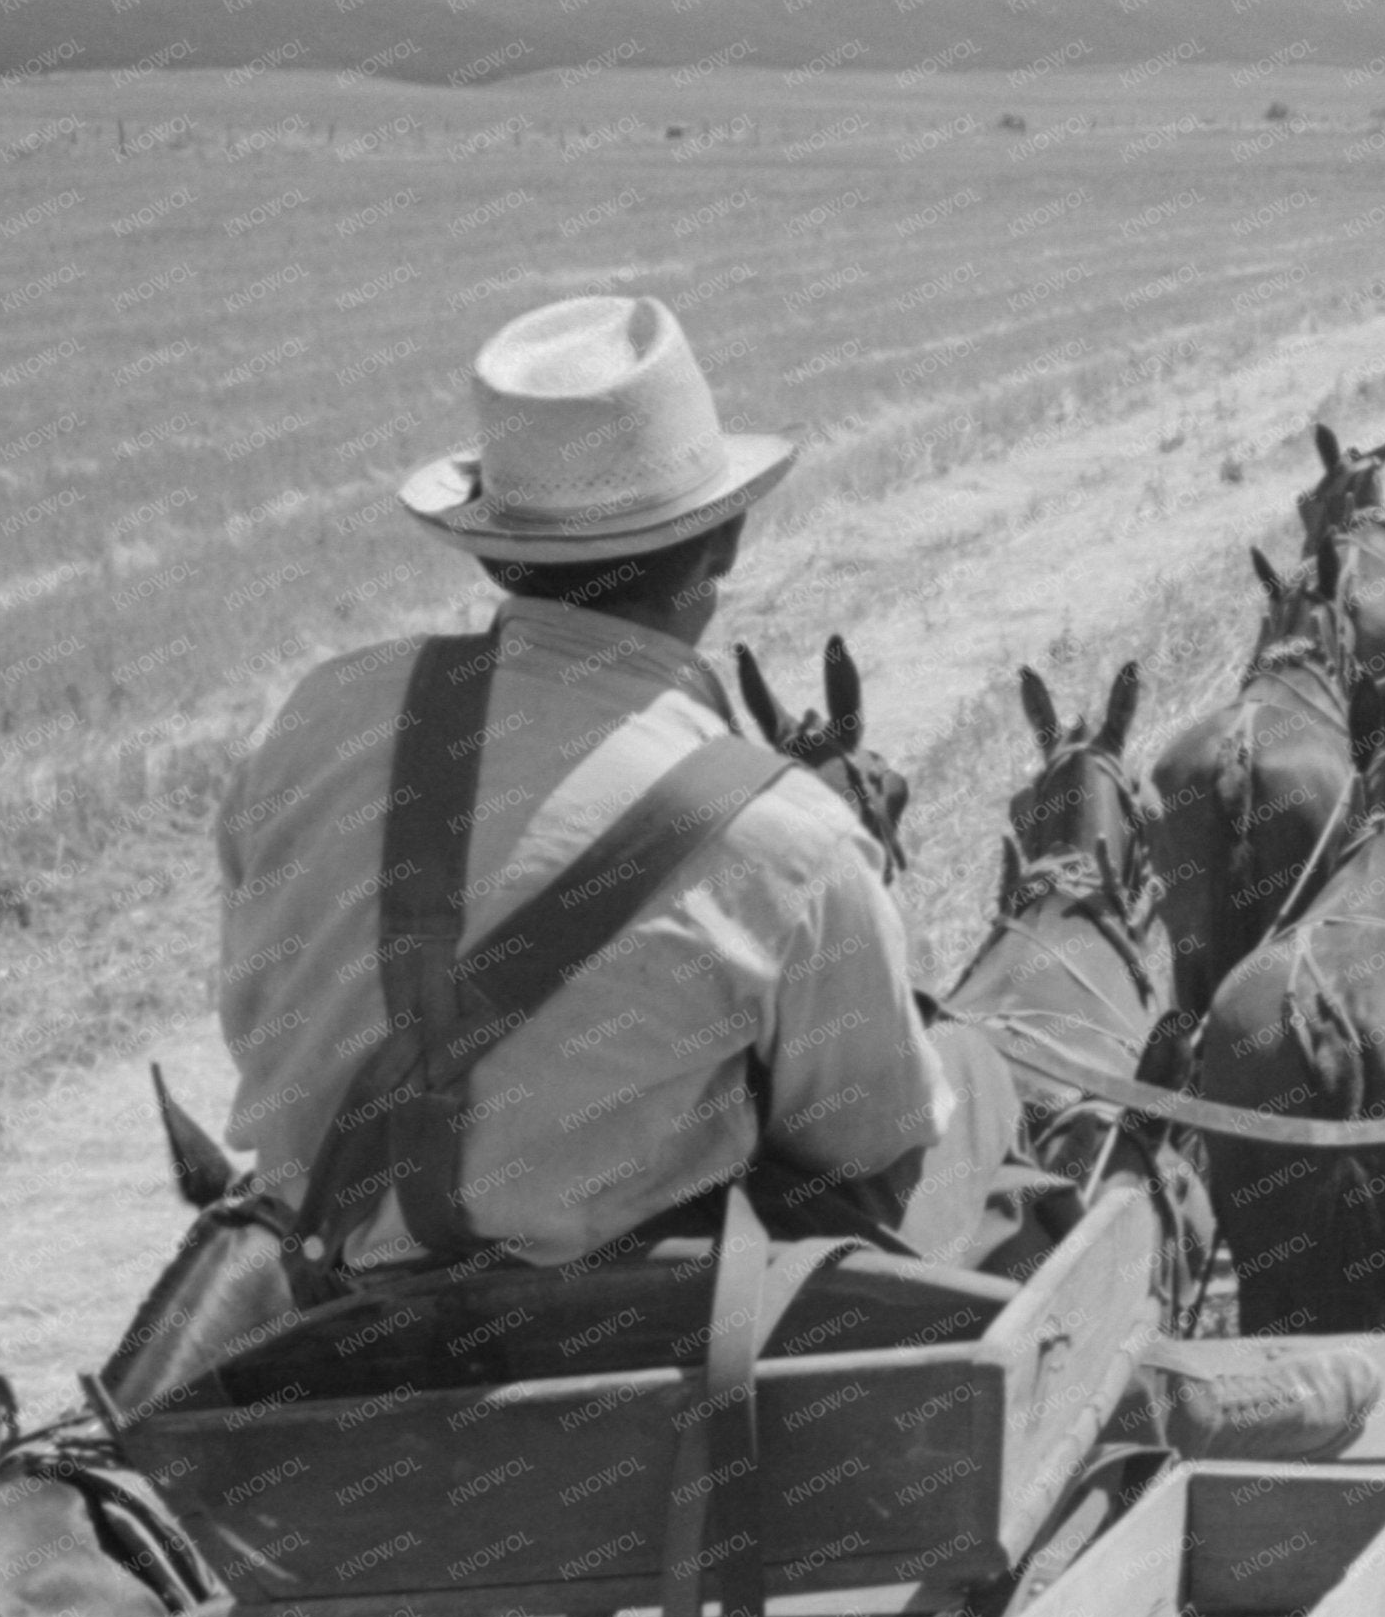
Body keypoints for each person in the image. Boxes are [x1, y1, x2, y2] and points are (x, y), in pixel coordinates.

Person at [213, 292, 959, 1274]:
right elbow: (866, 1139)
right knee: (975, 1090)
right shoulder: (789, 838)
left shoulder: (312, 718)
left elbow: (254, 1007)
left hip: (328, 1283)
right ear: (725, 538)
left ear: (494, 553)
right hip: (630, 1324)